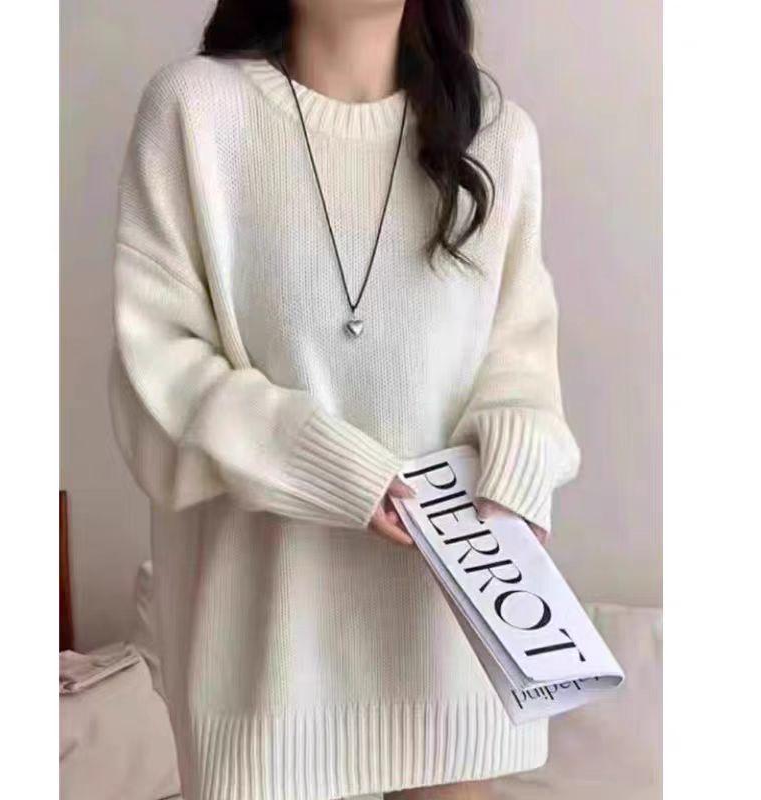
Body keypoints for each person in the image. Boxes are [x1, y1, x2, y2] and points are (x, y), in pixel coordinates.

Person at [108, 1, 580, 798]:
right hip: (267, 681)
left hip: (455, 662)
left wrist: (514, 477)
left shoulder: (497, 136)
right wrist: (337, 472)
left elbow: (522, 368)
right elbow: (157, 379)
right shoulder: (195, 111)